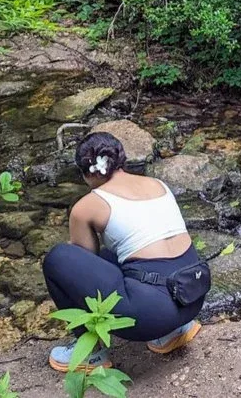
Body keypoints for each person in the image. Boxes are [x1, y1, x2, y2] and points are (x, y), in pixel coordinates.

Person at [41, 132, 209, 372]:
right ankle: (173, 332)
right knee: (115, 256)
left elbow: (82, 261)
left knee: (58, 259)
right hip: (191, 295)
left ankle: (89, 351)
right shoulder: (157, 184)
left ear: (86, 173)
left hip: (151, 316)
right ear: (122, 160)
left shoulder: (87, 205)